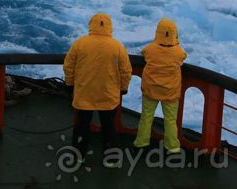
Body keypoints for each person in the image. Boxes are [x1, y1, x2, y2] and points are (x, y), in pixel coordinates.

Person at [63, 13, 132, 165]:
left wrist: (70, 84)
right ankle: (110, 158)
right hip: (108, 95)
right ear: (109, 26)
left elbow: (68, 65)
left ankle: (78, 156)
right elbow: (126, 70)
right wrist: (123, 88)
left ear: (91, 25)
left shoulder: (80, 43)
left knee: (82, 126)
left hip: (84, 93)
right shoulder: (117, 46)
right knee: (108, 127)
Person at [133, 18, 187, 152]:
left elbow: (144, 53)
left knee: (146, 117)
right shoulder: (178, 52)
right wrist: (175, 42)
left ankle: (141, 143)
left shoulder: (150, 49)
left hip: (151, 90)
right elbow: (183, 56)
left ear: (158, 32)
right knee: (170, 121)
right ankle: (172, 147)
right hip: (170, 92)